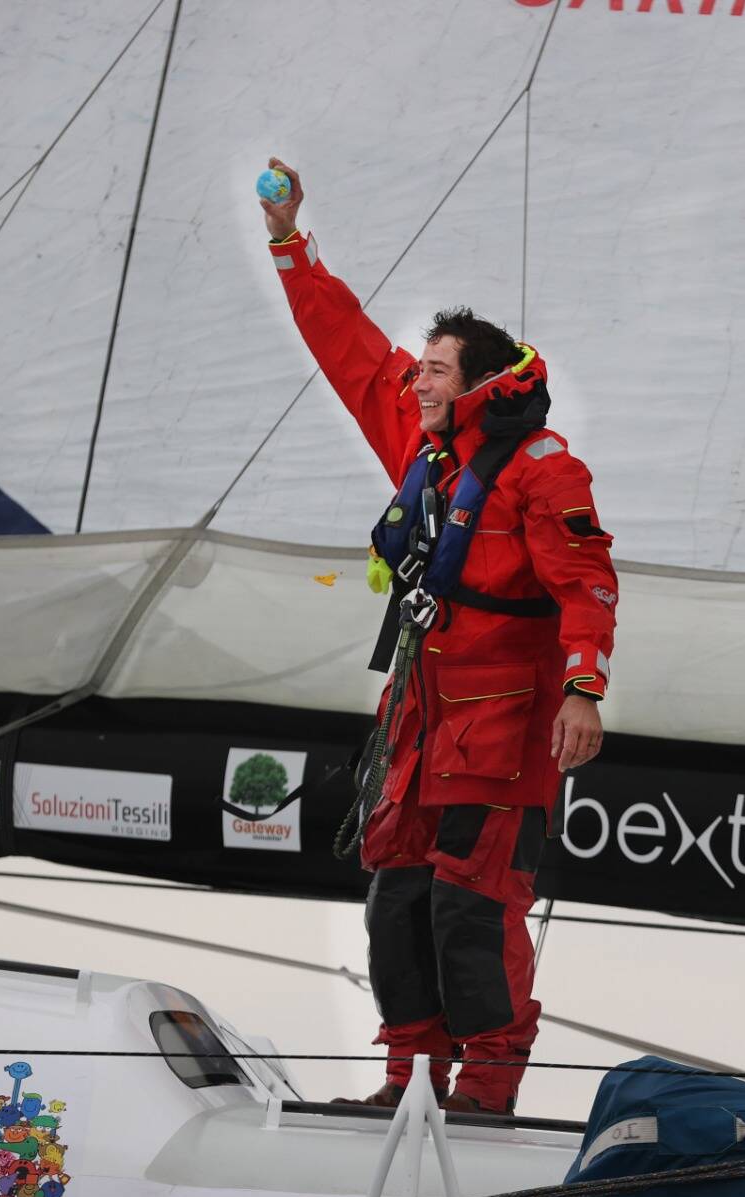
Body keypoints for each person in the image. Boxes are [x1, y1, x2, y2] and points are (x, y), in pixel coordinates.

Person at [261, 156, 618, 1115]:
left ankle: (487, 1088)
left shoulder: (544, 470)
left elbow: (588, 580)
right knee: (395, 900)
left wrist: (585, 690)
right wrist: (290, 242)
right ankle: (406, 1081)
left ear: (478, 383)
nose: (414, 379)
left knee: (475, 903)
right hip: (419, 717)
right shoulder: (423, 444)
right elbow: (346, 347)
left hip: (504, 724)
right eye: (418, 367)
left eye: (434, 369)